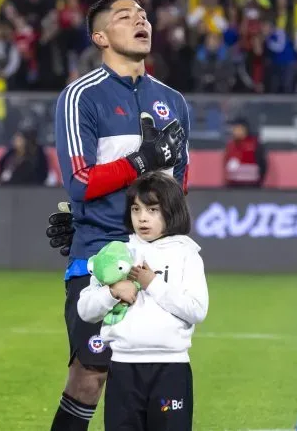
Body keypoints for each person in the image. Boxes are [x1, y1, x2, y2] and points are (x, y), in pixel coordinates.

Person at [45, 0, 190, 431]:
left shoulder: (173, 100)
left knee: (150, 375)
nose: (140, 21)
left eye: (143, 14)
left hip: (157, 260)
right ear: (101, 37)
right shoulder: (81, 97)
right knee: (90, 374)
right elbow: (80, 181)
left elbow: (179, 188)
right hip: (100, 254)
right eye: (126, 16)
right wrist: (141, 162)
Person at [77, 172, 208, 431]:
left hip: (170, 369)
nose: (142, 217)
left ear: (171, 211)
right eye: (136, 209)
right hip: (123, 369)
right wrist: (111, 293)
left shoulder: (186, 253)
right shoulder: (116, 253)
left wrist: (153, 284)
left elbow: (196, 310)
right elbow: (85, 310)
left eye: (152, 209)